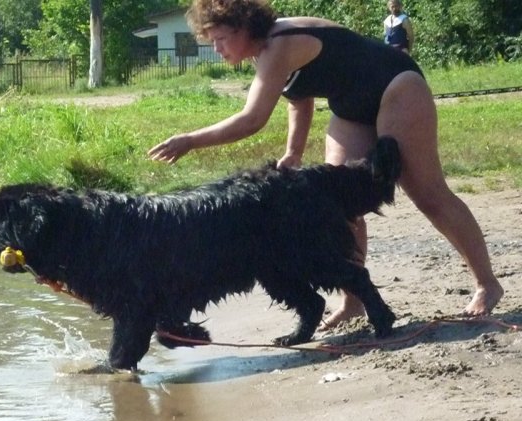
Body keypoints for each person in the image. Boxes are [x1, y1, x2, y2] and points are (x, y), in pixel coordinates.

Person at [148, 0, 503, 332]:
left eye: (221, 40)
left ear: (243, 27)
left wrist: (190, 140)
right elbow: (298, 99)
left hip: (397, 85)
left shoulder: (278, 43)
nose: (218, 49)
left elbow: (251, 120)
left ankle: (487, 284)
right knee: (339, 203)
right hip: (350, 104)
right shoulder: (265, 52)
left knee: (428, 195)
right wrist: (293, 152)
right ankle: (354, 300)